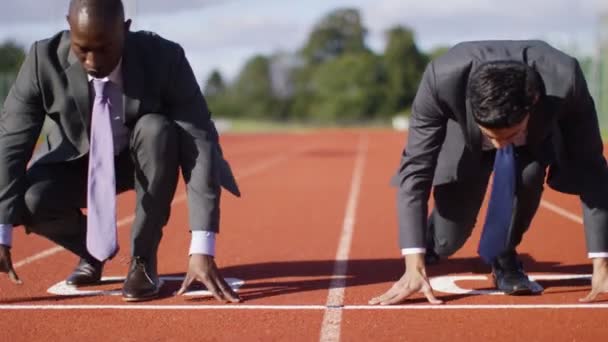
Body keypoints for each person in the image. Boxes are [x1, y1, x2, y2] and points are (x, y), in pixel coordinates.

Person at [0, 0, 241, 303]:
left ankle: (143, 259)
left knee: (157, 129)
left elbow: (200, 142)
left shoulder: (165, 58)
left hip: (144, 156)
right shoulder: (41, 60)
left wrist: (202, 247)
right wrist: (1, 230)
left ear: (125, 31)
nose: (91, 60)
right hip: (78, 162)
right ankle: (90, 250)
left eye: (103, 48)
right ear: (68, 26)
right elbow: (10, 144)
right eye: (82, 48)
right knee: (30, 198)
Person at [370, 40, 608, 305]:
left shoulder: (566, 79)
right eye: (492, 137)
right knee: (447, 241)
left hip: (533, 143)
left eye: (509, 135)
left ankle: (504, 255)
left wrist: (602, 265)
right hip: (464, 138)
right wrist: (413, 265)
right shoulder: (442, 79)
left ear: (533, 102)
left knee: (528, 177)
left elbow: (592, 168)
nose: (500, 145)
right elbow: (415, 170)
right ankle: (434, 237)